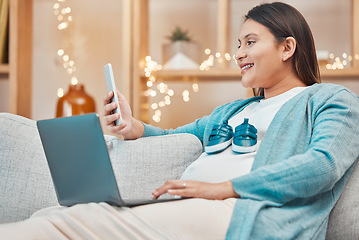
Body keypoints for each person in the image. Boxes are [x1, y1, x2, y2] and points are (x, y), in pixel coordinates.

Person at [1, 2, 358, 239]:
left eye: (250, 42)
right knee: (57, 215)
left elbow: (322, 165)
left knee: (72, 225)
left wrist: (226, 188)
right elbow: (172, 135)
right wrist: (132, 126)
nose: (239, 54)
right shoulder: (231, 112)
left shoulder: (330, 100)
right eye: (238, 44)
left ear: (287, 47)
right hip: (187, 209)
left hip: (243, 216)